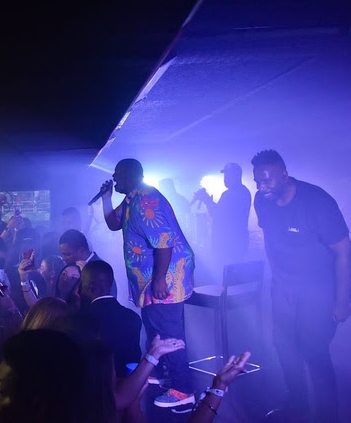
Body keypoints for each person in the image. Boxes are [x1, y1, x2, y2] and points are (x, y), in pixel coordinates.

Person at [251, 149, 351, 422]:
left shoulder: (317, 202)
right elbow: (270, 238)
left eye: (266, 180)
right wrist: (277, 279)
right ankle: (297, 406)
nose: (261, 187)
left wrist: (342, 300)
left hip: (318, 289)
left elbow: (344, 251)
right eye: (257, 181)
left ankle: (327, 415)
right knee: (284, 347)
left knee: (314, 351)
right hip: (283, 287)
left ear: (284, 175)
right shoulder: (262, 200)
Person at [100, 158, 196, 409]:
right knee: (154, 328)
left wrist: (160, 279)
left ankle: (183, 390)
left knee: (168, 331)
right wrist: (106, 198)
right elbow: (113, 223)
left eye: (118, 174)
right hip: (150, 278)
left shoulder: (145, 201)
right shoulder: (132, 198)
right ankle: (163, 375)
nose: (114, 178)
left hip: (165, 277)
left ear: (129, 175)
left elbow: (164, 243)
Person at [79, 260, 141, 379]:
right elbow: (134, 360)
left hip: (95, 385)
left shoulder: (83, 319)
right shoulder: (133, 317)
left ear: (90, 288)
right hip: (128, 384)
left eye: (81, 285)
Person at [193, 162, 252, 276]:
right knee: (233, 274)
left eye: (228, 175)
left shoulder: (231, 194)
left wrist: (207, 199)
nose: (225, 179)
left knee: (224, 273)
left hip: (227, 243)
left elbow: (218, 214)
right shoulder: (244, 192)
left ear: (236, 176)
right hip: (237, 240)